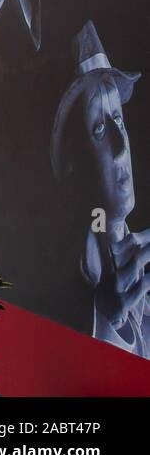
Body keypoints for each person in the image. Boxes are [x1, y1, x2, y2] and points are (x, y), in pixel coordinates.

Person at [51, 21, 149, 357]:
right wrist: (107, 314)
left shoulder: (136, 250)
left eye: (119, 120)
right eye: (99, 130)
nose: (122, 149)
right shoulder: (75, 274)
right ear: (76, 163)